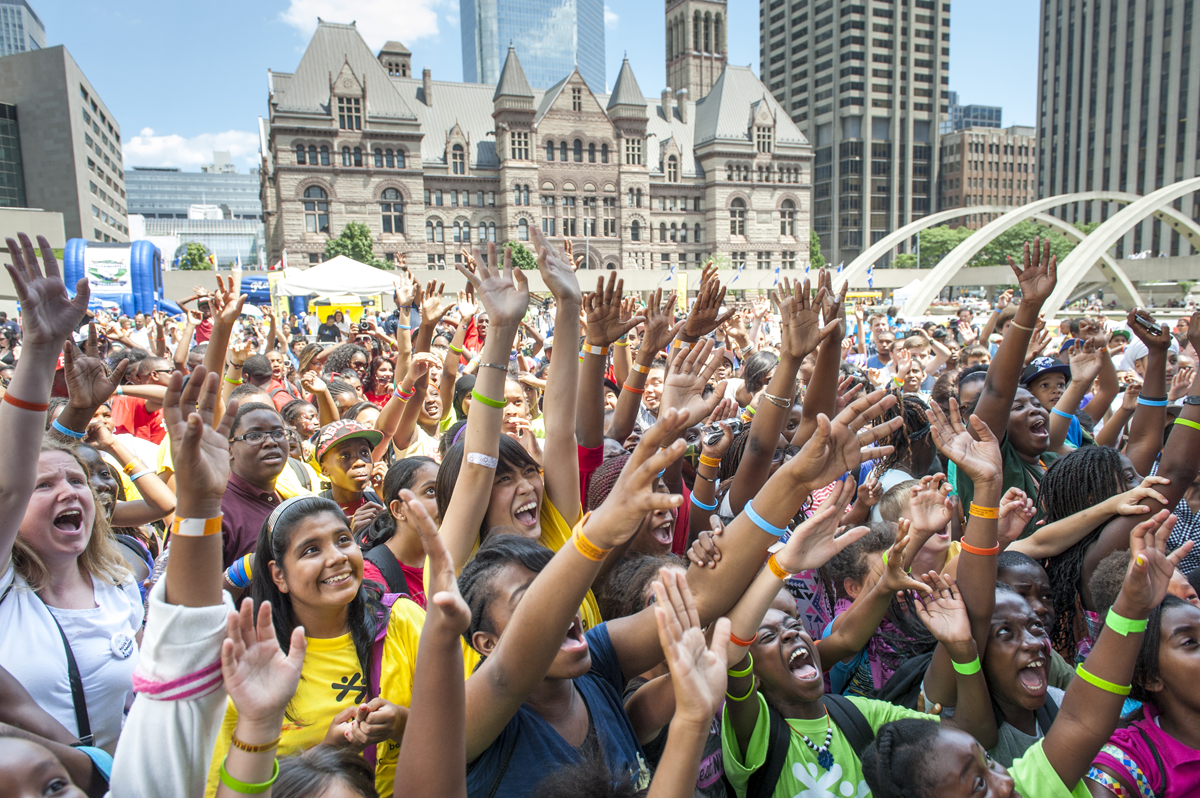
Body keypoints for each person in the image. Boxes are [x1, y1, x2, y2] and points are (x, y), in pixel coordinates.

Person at [858, 512, 1180, 798]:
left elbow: (1084, 718)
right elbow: (976, 609)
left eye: (990, 761)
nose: (1006, 783)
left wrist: (1132, 607)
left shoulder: (1025, 787)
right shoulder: (960, 702)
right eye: (979, 786)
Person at [0, 234, 142, 755]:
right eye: (46, 485)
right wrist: (39, 349)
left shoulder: (119, 584)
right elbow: (8, 480)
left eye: (77, 481)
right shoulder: (3, 588)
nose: (71, 491)